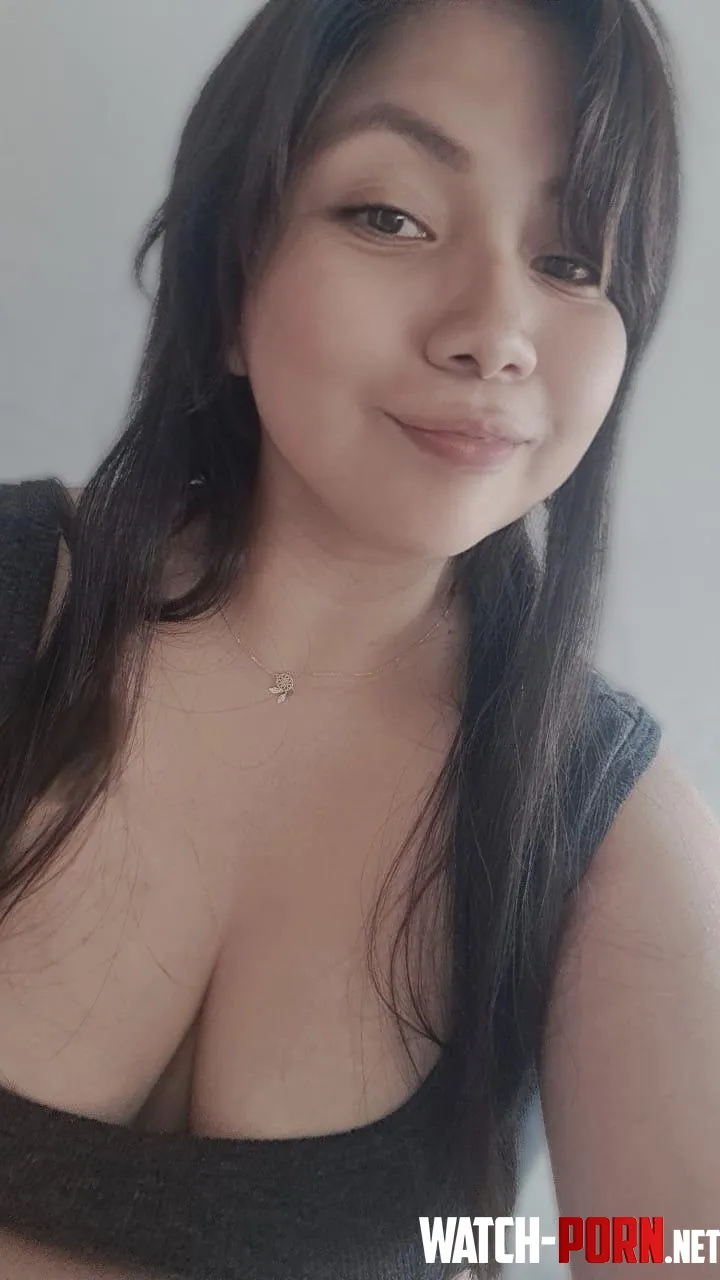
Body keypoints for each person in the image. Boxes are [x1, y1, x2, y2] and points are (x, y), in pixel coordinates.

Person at [0, 0, 718, 1276]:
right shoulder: (20, 596)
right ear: (230, 282)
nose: (494, 332)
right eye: (391, 216)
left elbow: (673, 1240)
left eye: (571, 259)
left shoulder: (597, 817)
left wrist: (496, 1246)